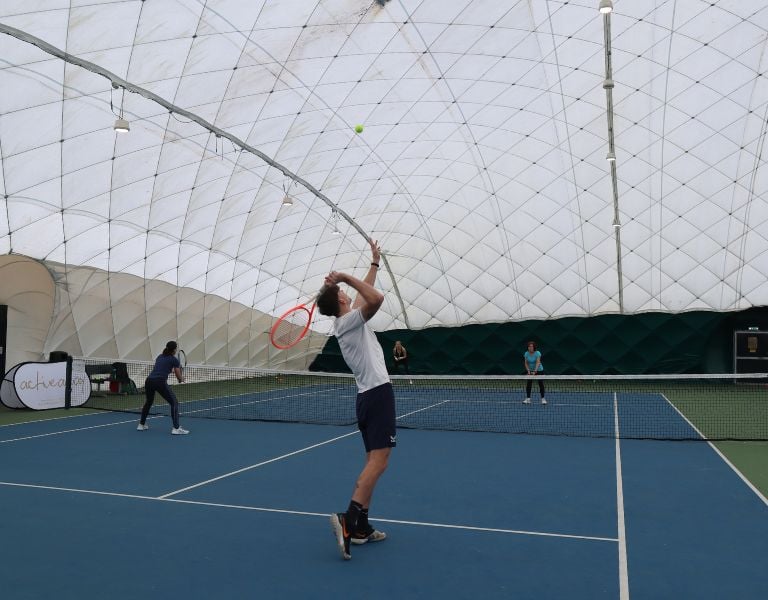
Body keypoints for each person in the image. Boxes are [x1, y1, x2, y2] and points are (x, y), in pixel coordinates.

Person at [317, 239, 393, 560]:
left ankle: (360, 527)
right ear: (340, 300)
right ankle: (348, 519)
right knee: (379, 462)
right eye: (345, 293)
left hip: (368, 397)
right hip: (377, 396)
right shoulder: (347, 322)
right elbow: (375, 298)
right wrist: (346, 277)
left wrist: (374, 264)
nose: (349, 294)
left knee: (373, 462)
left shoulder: (348, 322)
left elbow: (366, 294)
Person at [137, 340, 189, 434]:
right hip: (159, 382)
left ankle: (141, 425)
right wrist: (182, 378)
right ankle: (176, 428)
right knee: (174, 403)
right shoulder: (174, 360)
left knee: (148, 402)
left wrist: (175, 372)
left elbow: (162, 369)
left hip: (149, 381)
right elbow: (178, 377)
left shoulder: (160, 357)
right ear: (174, 350)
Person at [523, 341, 546, 405]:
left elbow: (538, 362)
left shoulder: (537, 353)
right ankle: (528, 399)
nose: (530, 348)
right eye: (529, 346)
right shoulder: (526, 353)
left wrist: (535, 371)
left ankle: (543, 399)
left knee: (540, 384)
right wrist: (528, 370)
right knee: (529, 384)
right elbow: (526, 363)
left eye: (531, 346)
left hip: (539, 370)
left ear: (534, 347)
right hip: (530, 370)